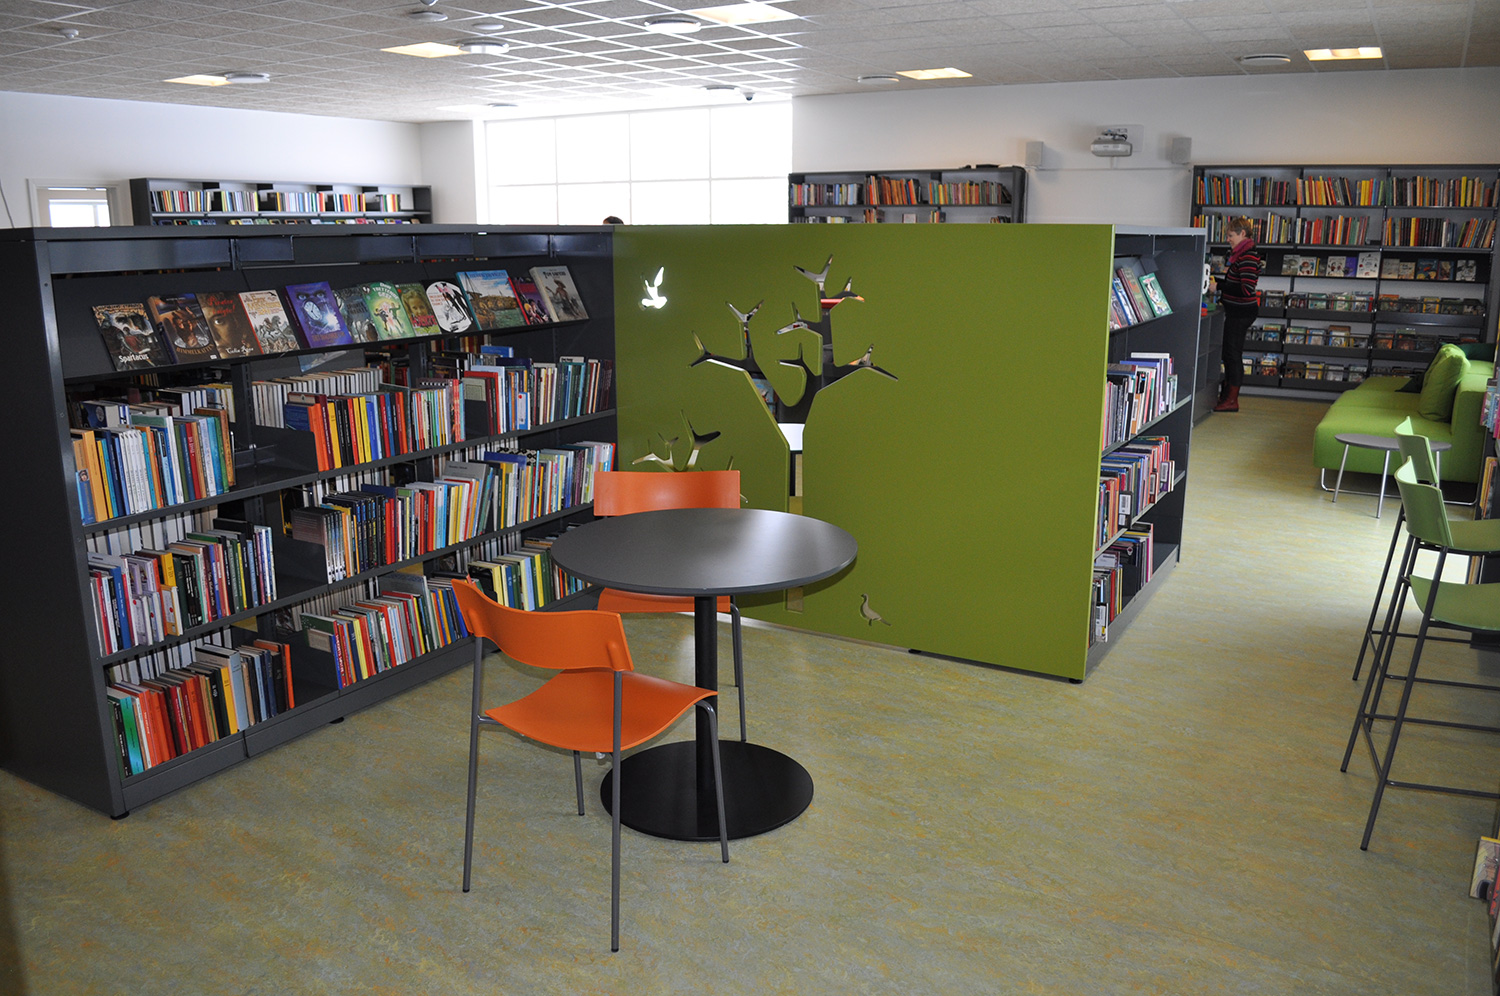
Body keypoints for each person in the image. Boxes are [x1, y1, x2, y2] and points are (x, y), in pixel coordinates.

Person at [1213, 217, 1262, 412]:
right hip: (1236, 311)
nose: (1228, 239)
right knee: (1229, 353)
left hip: (1241, 312)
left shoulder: (1248, 257)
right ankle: (1227, 395)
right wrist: (1217, 282)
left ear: (1243, 234)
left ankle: (1232, 400)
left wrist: (1219, 286)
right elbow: (1235, 283)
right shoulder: (1240, 255)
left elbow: (1245, 289)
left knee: (1233, 355)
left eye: (1231, 235)